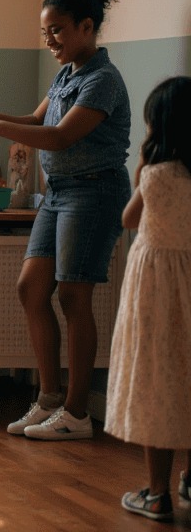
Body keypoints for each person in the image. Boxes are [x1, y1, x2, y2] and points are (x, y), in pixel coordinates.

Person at [0, 0, 130, 440]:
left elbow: (60, 137)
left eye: (57, 31)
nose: (51, 41)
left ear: (86, 26)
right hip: (59, 193)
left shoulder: (102, 80)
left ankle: (77, 414)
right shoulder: (66, 75)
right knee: (30, 288)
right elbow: (39, 122)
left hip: (93, 193)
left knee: (74, 297)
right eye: (45, 34)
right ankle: (50, 399)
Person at [104, 76, 191, 522]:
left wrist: (141, 164)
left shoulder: (155, 175)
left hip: (156, 289)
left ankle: (157, 493)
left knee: (155, 378)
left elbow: (129, 218)